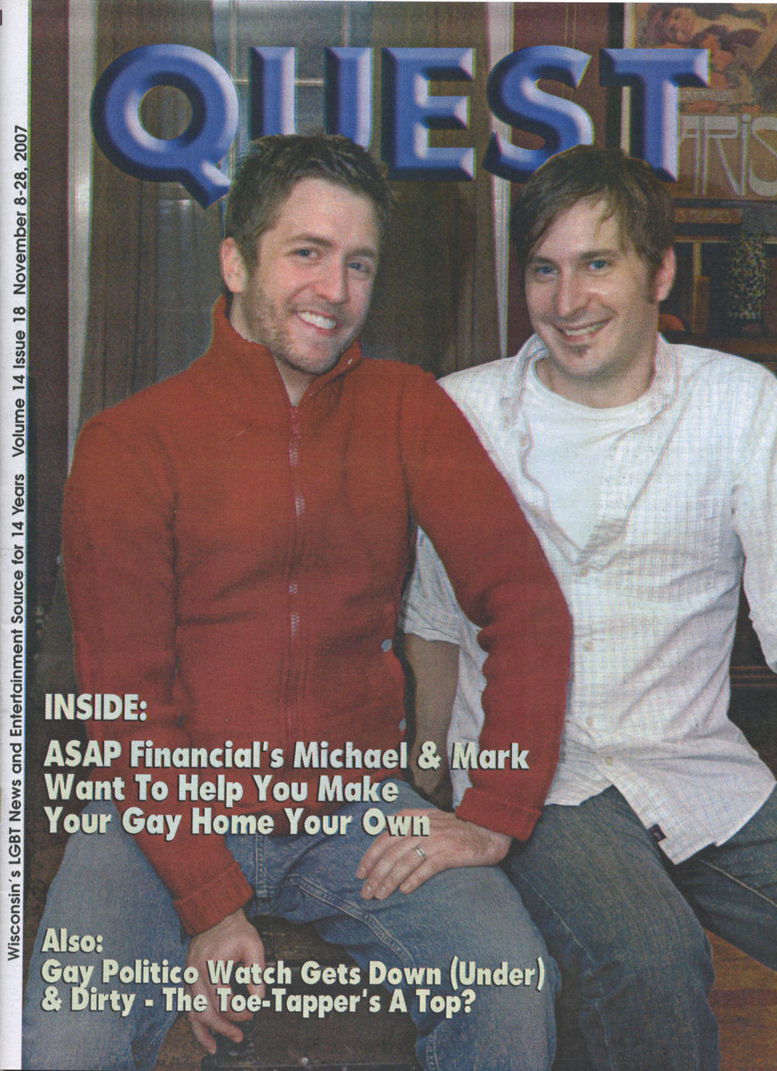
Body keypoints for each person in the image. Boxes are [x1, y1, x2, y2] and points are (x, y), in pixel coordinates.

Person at [23, 134, 572, 1071]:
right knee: (70, 1037)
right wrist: (209, 904)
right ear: (236, 262)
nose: (334, 289)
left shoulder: (405, 407)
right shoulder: (128, 443)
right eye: (306, 252)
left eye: (359, 263)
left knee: (509, 983)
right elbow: (125, 704)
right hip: (162, 804)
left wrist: (495, 809)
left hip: (352, 805)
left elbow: (526, 602)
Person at [402, 144, 777, 1070]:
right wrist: (429, 776)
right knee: (650, 958)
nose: (567, 301)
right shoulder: (461, 411)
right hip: (534, 779)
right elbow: (433, 621)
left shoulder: (738, 404)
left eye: (596, 263)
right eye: (543, 270)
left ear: (658, 273)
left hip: (693, 767)